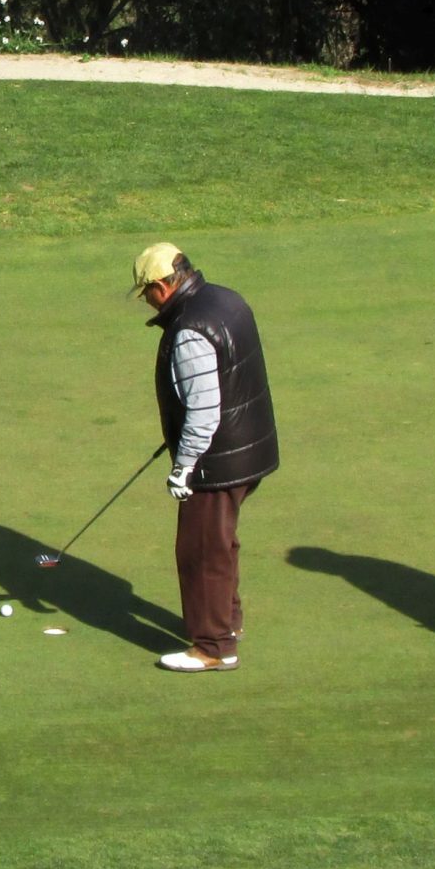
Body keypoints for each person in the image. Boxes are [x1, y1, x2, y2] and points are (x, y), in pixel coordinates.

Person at [133, 243, 279, 672]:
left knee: (200, 550)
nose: (146, 301)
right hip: (248, 448)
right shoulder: (225, 298)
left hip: (217, 461)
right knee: (219, 541)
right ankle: (227, 623)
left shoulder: (189, 328)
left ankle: (214, 647)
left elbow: (203, 409)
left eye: (145, 292)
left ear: (161, 287)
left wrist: (184, 465)